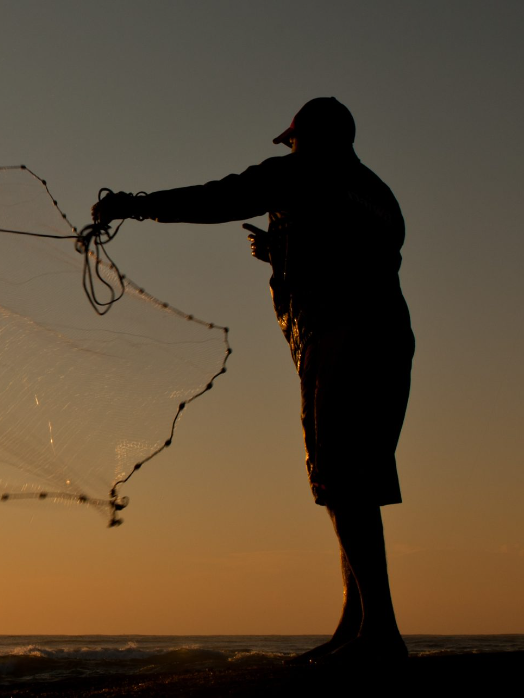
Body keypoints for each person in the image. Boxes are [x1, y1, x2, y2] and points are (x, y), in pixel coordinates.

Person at [93, 98, 414, 663]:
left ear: (304, 140)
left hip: (341, 337)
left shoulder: (297, 174)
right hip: (387, 340)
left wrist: (133, 206)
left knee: (341, 476)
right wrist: (282, 251)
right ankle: (357, 623)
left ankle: (378, 633)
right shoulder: (377, 193)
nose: (289, 150)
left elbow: (218, 198)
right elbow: (360, 253)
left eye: (293, 142)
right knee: (354, 480)